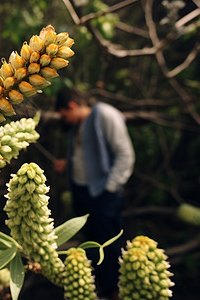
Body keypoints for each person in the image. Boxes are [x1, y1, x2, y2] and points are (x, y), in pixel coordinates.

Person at [54, 88, 135, 300]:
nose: (66, 121)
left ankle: (115, 290)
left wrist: (110, 187)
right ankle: (100, 287)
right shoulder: (79, 125)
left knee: (108, 244)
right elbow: (86, 156)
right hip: (83, 193)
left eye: (64, 115)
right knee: (90, 243)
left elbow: (125, 154)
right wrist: (68, 163)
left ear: (71, 106)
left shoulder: (105, 114)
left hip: (103, 195)